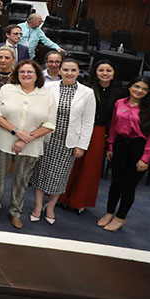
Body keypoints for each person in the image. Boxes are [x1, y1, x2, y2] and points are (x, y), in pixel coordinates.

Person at [0, 59, 57, 230]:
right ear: (16, 74)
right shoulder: (7, 89)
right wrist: (16, 132)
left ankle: (15, 212)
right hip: (3, 140)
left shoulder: (46, 95)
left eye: (30, 72)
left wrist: (25, 139)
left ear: (37, 75)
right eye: (22, 71)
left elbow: (49, 124)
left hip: (31, 144)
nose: (26, 74)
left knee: (22, 180)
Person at [29, 59, 95, 225]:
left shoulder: (87, 93)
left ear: (79, 72)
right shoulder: (48, 87)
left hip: (69, 141)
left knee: (60, 176)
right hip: (46, 137)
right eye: (65, 70)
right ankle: (38, 205)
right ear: (59, 71)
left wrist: (82, 145)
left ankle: (51, 206)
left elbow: (88, 121)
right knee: (40, 172)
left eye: (73, 70)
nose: (69, 73)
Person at [60, 60, 126, 214]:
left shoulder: (120, 93)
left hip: (99, 132)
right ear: (95, 72)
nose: (104, 73)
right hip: (79, 128)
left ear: (114, 74)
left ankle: (79, 201)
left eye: (108, 70)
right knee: (72, 164)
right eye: (101, 70)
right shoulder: (86, 88)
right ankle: (62, 198)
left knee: (90, 168)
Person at [98, 76, 150, 232]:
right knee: (115, 183)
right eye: (137, 86)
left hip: (138, 148)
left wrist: (145, 158)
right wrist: (110, 146)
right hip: (120, 145)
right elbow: (113, 125)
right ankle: (109, 212)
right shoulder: (119, 103)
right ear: (130, 87)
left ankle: (120, 217)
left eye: (144, 89)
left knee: (128, 186)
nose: (139, 91)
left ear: (148, 92)